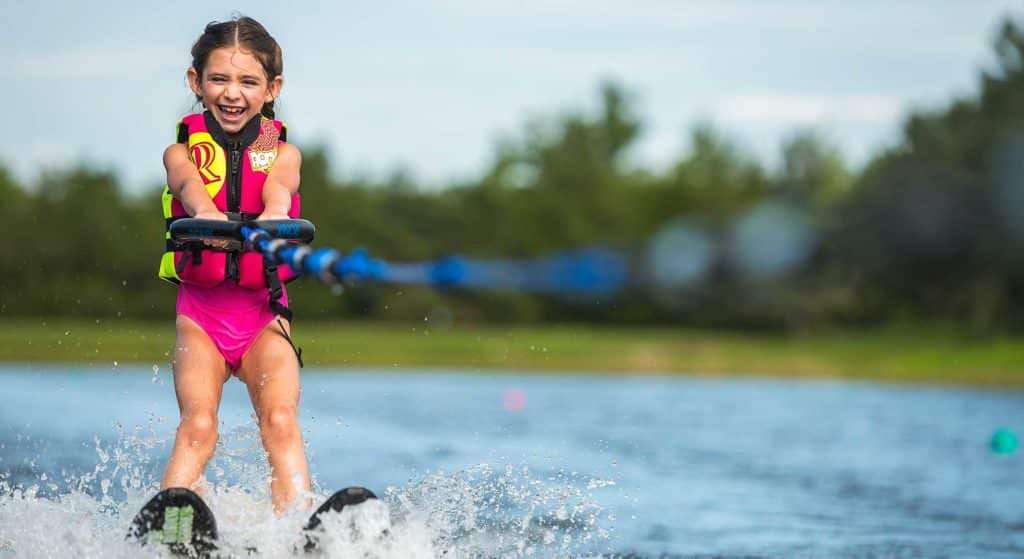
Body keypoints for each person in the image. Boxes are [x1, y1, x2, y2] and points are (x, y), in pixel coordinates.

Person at [157, 16, 309, 514]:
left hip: (264, 314)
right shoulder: (181, 151)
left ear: (272, 89)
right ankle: (173, 524)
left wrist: (274, 215)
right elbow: (187, 184)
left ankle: (298, 532)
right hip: (201, 317)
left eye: (248, 82)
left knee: (281, 421)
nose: (232, 93)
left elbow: (279, 185)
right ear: (195, 82)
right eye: (219, 79)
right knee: (199, 425)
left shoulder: (280, 151)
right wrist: (205, 214)